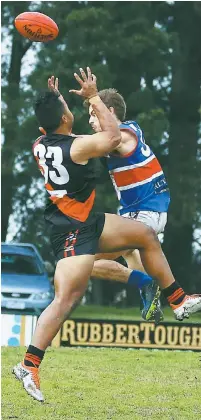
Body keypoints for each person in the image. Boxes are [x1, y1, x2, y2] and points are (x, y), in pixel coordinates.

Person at [13, 68, 201, 403]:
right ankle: (29, 365)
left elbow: (71, 126)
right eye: (72, 112)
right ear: (66, 119)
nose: (80, 116)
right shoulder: (78, 147)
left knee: (144, 235)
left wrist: (56, 99)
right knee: (66, 299)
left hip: (88, 221)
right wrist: (94, 96)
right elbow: (112, 139)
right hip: (73, 230)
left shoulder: (40, 142)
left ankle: (176, 298)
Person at [86, 88, 170, 321]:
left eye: (94, 114)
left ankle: (148, 285)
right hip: (142, 214)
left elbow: (86, 145)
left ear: (109, 111)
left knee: (83, 262)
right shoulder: (131, 128)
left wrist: (58, 139)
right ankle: (151, 299)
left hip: (144, 215)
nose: (90, 121)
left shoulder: (121, 136)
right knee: (132, 256)